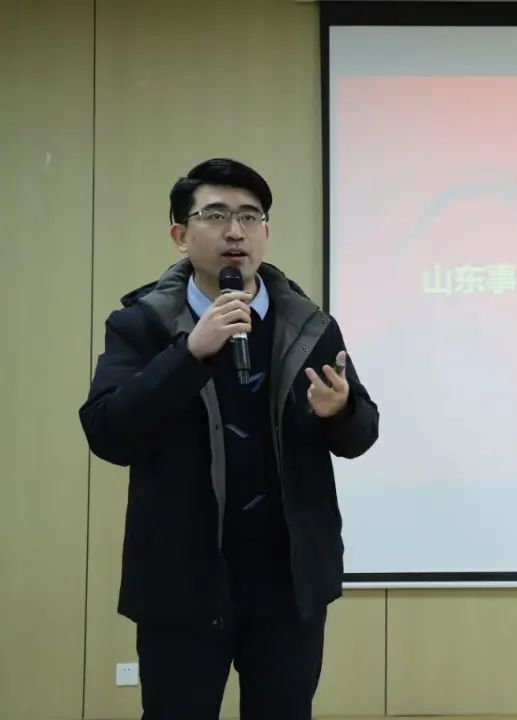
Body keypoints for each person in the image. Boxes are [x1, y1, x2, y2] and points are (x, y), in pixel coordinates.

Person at [79, 158, 379, 719]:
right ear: (180, 235)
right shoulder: (141, 325)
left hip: (288, 582)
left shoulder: (310, 324)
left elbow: (360, 436)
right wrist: (189, 354)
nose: (235, 232)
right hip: (183, 579)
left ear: (266, 231)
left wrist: (341, 412)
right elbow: (109, 433)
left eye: (249, 216)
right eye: (215, 216)